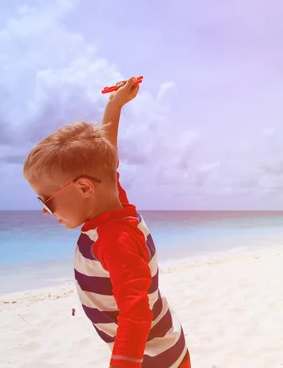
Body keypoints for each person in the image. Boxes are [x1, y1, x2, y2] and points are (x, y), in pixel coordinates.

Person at [22, 77, 190, 368]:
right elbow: (106, 161)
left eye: (46, 201)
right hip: (160, 345)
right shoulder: (114, 203)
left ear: (85, 188)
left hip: (155, 358)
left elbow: (136, 315)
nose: (45, 212)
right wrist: (114, 106)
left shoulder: (115, 240)